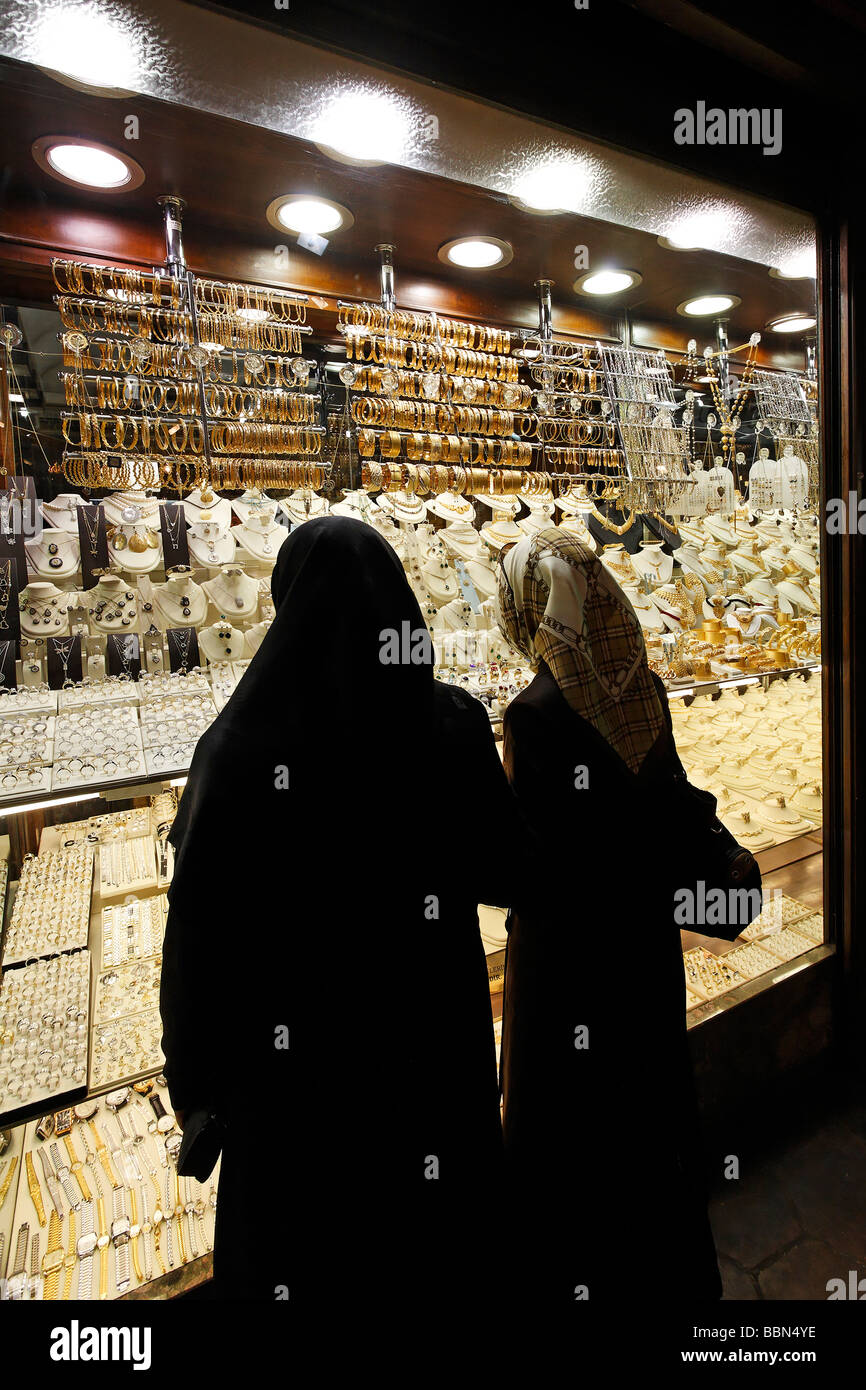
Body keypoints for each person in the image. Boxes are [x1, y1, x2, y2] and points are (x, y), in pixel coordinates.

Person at [160, 516, 529, 1308]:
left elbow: (197, 937)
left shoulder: (237, 755)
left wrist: (191, 1083)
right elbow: (506, 869)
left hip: (298, 1091)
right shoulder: (453, 725)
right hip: (430, 1058)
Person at [496, 526, 725, 1306]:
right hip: (640, 945)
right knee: (648, 1113)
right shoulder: (644, 689)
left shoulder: (533, 714)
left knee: (572, 1139)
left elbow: (525, 856)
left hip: (566, 965)